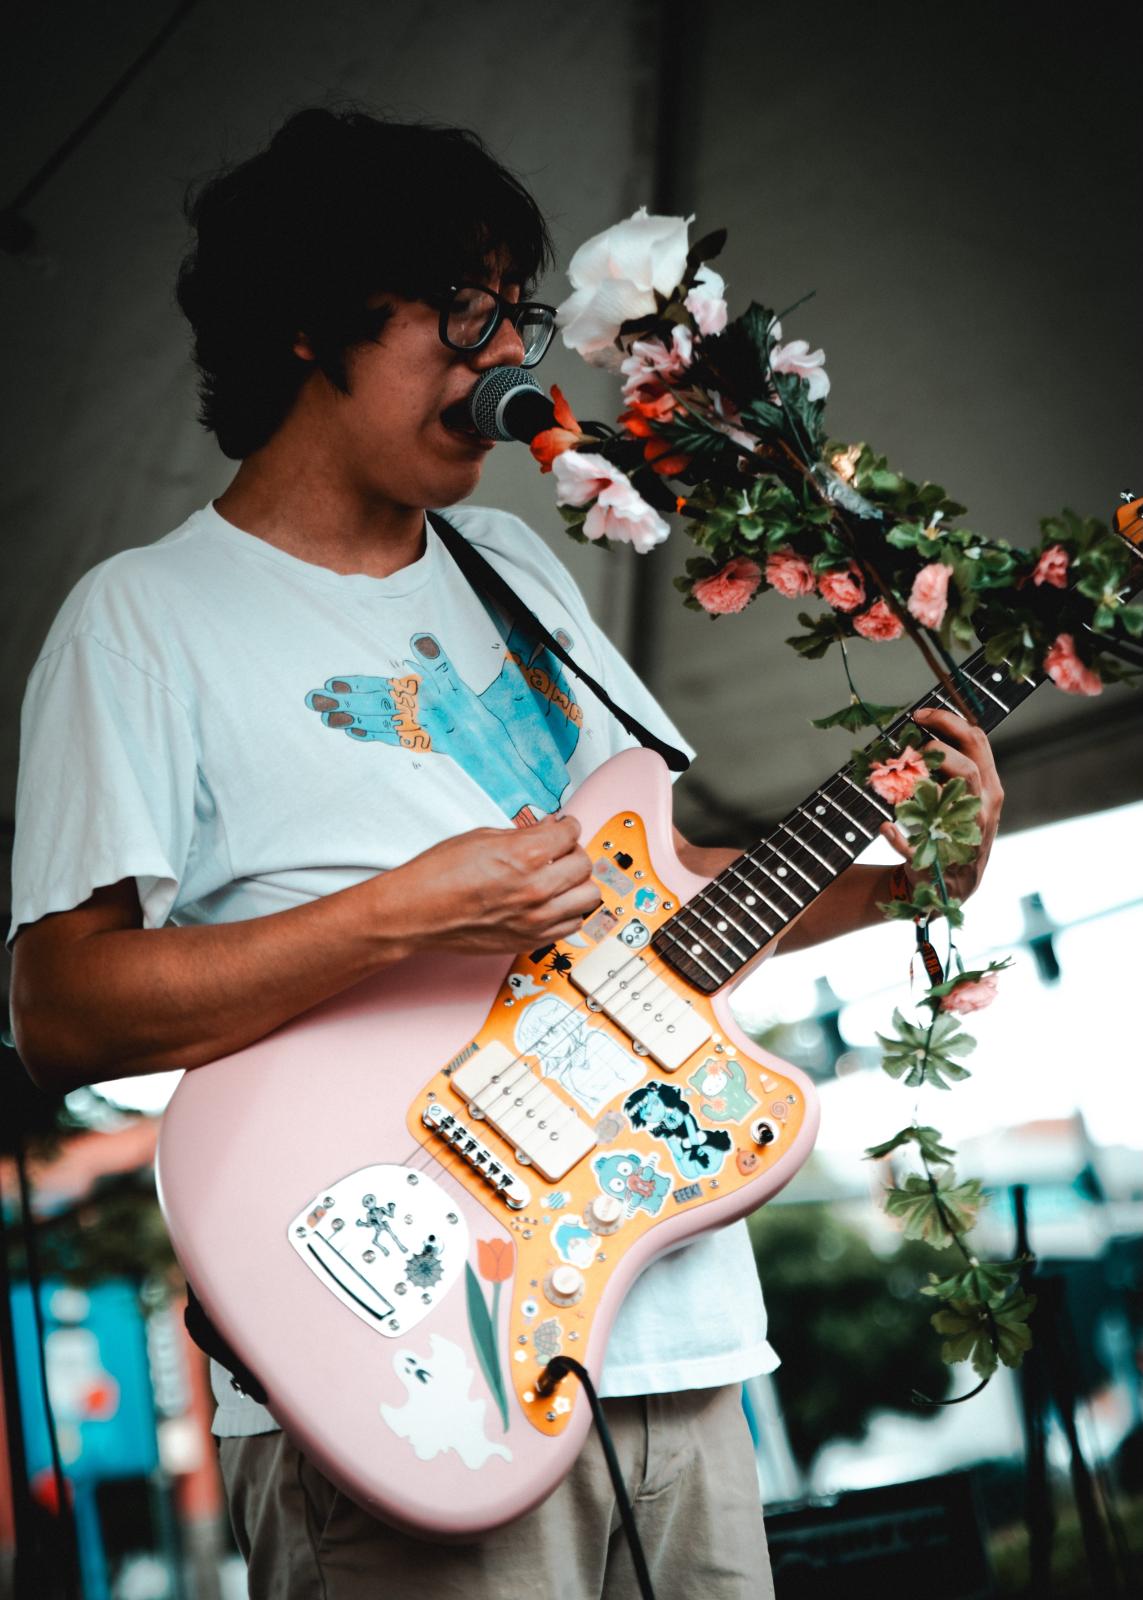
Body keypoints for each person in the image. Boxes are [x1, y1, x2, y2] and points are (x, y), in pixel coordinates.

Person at [8, 109, 1004, 1598]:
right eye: (462, 314)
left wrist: (898, 880)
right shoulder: (143, 620)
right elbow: (61, 1010)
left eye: (512, 314)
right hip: (399, 1369)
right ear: (306, 322)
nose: (505, 363)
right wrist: (401, 913)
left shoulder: (520, 569)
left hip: (678, 1340)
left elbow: (659, 900)